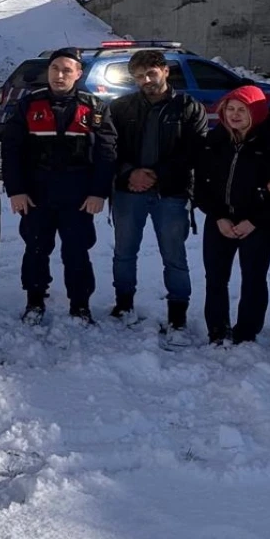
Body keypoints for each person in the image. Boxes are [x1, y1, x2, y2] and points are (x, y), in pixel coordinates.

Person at [0, 49, 117, 325]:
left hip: (78, 192)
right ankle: (35, 301)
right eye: (55, 69)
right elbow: (11, 150)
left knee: (76, 250)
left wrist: (99, 192)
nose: (59, 75)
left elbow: (107, 152)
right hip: (36, 191)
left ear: (78, 74)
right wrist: (16, 190)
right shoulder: (28, 105)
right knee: (36, 248)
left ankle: (80, 305)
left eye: (67, 70)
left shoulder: (95, 108)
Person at [109, 49, 208, 336]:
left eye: (151, 73)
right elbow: (108, 147)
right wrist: (130, 172)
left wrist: (156, 175)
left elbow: (194, 151)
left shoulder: (189, 107)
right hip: (129, 191)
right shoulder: (121, 107)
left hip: (172, 193)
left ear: (165, 71)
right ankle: (123, 304)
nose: (146, 80)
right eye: (139, 76)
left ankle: (178, 313)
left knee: (174, 255)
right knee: (124, 252)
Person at [193, 86, 270, 345]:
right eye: (230, 109)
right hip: (220, 220)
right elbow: (201, 184)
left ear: (254, 112)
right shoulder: (215, 140)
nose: (234, 115)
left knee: (254, 278)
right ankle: (217, 329)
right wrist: (218, 215)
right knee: (216, 278)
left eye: (242, 110)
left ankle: (247, 331)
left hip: (258, 223)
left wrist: (254, 221)